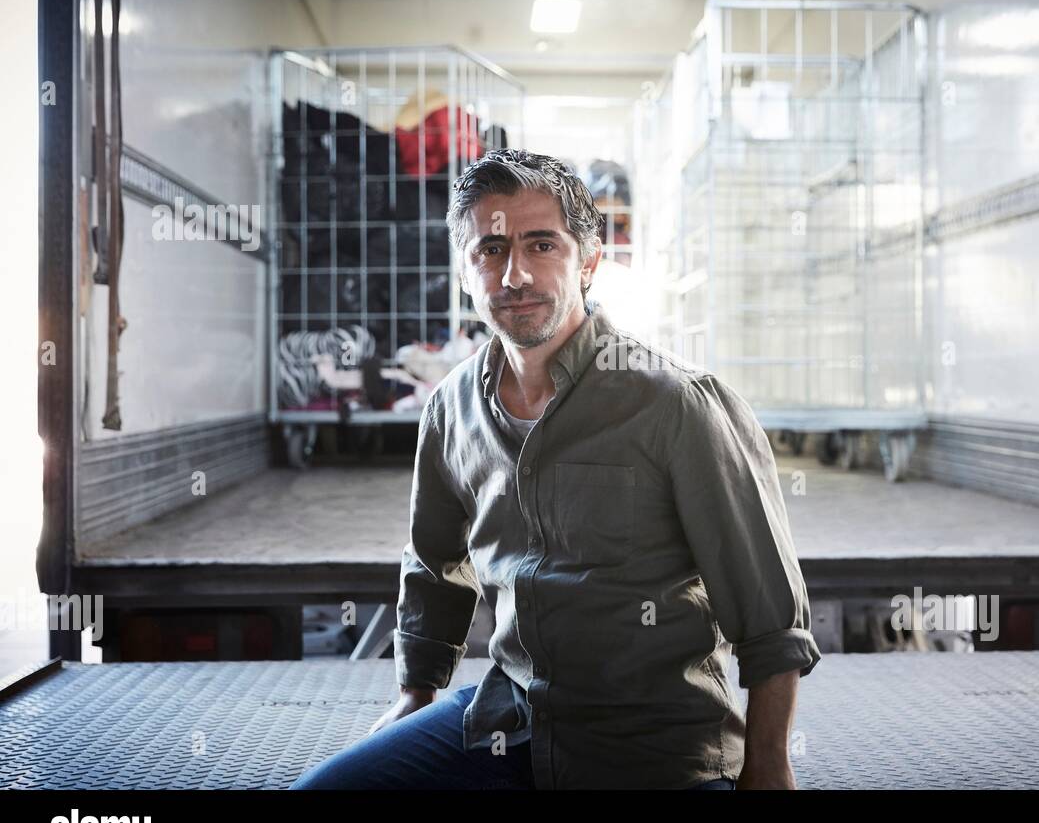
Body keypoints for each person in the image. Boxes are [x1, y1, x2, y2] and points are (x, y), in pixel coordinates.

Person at [292, 149, 820, 790]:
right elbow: (434, 563)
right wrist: (415, 692)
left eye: (542, 245)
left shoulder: (675, 402)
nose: (515, 274)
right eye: (491, 249)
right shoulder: (450, 408)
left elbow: (770, 616)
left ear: (589, 260)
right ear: (465, 270)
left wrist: (769, 764)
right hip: (508, 722)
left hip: (654, 751)